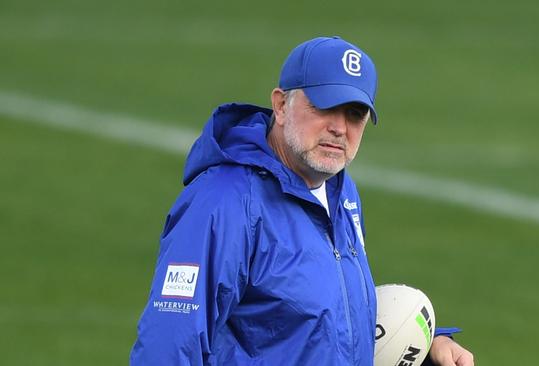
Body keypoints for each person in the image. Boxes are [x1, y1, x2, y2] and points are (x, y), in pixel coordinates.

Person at [130, 36, 474, 366]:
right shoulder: (225, 203)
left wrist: (428, 346)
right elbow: (169, 344)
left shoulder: (340, 192)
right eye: (325, 107)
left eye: (355, 114)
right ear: (281, 105)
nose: (340, 128)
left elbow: (328, 316)